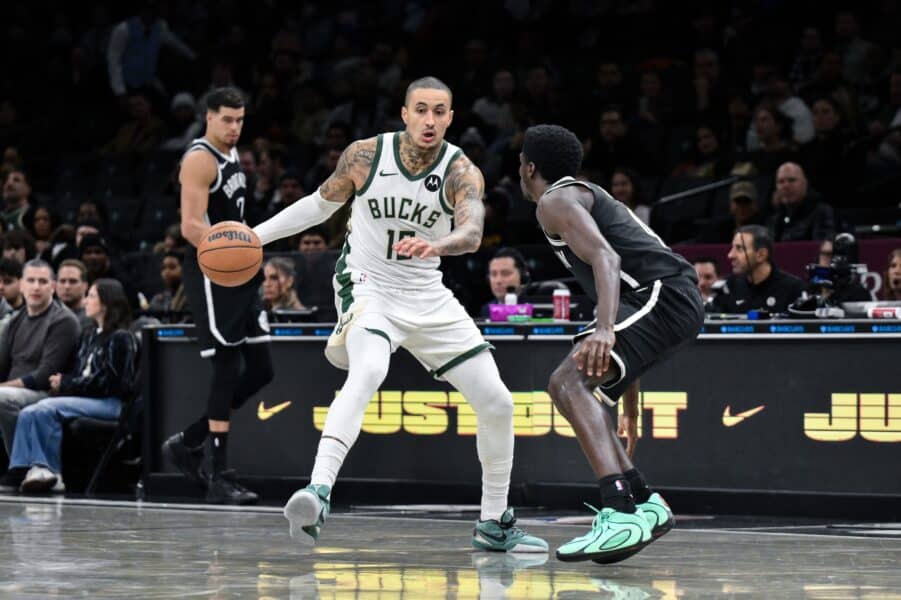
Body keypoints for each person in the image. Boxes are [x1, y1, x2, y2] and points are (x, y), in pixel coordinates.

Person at [253, 76, 547, 553]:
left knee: (499, 403)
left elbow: (472, 232)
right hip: (369, 284)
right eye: (421, 110)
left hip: (428, 294)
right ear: (405, 113)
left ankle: (494, 523)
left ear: (450, 118)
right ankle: (317, 490)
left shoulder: (462, 171)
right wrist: (255, 237)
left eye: (439, 112)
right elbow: (317, 206)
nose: (429, 120)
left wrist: (438, 243)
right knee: (370, 367)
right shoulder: (366, 155)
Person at [518, 124, 704, 563]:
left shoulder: (555, 200)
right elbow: (622, 308)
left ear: (529, 168)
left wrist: (604, 328)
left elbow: (608, 258)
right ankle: (643, 503)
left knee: (566, 382)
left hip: (665, 294)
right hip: (664, 300)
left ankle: (619, 509)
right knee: (576, 382)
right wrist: (630, 409)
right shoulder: (576, 197)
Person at [161, 87, 274, 505]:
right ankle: (219, 474)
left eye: (240, 120)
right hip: (212, 271)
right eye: (227, 119)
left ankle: (188, 442)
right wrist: (232, 250)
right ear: (208, 117)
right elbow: (191, 226)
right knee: (227, 369)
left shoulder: (233, 155)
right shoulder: (199, 159)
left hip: (242, 270)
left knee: (262, 370)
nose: (234, 128)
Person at [6, 279, 138, 494]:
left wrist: (66, 383)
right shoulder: (88, 336)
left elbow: (113, 383)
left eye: (92, 296)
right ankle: (23, 468)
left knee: (46, 409)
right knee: (28, 412)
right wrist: (63, 381)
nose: (86, 301)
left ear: (106, 303)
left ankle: (50, 470)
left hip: (110, 403)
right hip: (87, 399)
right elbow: (80, 373)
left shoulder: (122, 338)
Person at [0, 260, 80, 489]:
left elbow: (44, 375)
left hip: (44, 393)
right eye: (31, 281)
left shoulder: (63, 320)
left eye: (42, 281)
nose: (36, 287)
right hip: (15, 390)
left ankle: (20, 467)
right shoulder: (15, 320)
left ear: (52, 286)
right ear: (22, 285)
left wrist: (4, 387)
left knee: (2, 399)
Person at [709, 225, 806, 314]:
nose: (730, 255)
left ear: (761, 255)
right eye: (732, 248)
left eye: (739, 248)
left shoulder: (793, 289)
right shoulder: (729, 287)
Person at [769, 162, 835, 242]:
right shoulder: (775, 219)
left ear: (805, 184)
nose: (785, 186)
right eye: (781, 182)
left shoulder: (821, 212)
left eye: (791, 180)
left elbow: (823, 248)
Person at [698, 180, 767, 243]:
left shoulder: (765, 229)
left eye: (746, 201)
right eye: (738, 201)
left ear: (755, 204)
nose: (742, 207)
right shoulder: (718, 228)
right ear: (730, 204)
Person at [479, 247, 529, 318]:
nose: (498, 280)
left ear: (522, 276)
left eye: (505, 273)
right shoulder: (486, 310)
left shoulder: (535, 307)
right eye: (493, 274)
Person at [149, 250, 187, 320]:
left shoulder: (192, 298)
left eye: (172, 267)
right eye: (164, 268)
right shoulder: (158, 300)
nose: (166, 272)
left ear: (184, 269)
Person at [56, 259, 92, 329]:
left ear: (85, 286)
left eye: (73, 281)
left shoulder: (93, 317)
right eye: (62, 281)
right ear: (55, 285)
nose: (67, 286)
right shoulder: (46, 315)